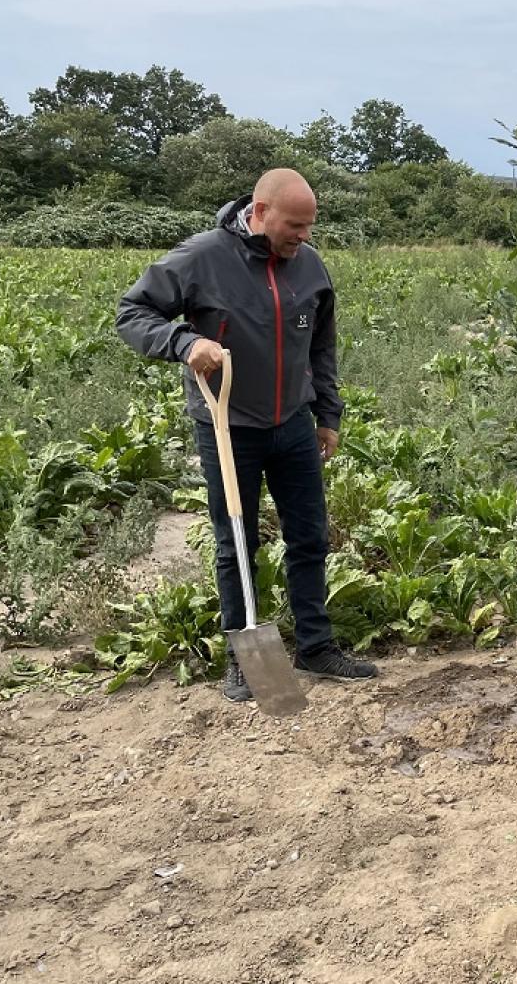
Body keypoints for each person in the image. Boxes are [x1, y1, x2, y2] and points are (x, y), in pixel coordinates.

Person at [115, 168, 379, 703]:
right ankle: (243, 656)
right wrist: (184, 341)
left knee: (309, 536)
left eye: (309, 227)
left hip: (293, 423)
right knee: (236, 542)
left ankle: (315, 646)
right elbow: (132, 312)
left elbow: (321, 346)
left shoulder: (309, 266)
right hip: (227, 425)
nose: (302, 237)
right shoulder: (202, 257)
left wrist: (327, 413)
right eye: (294, 225)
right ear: (259, 212)